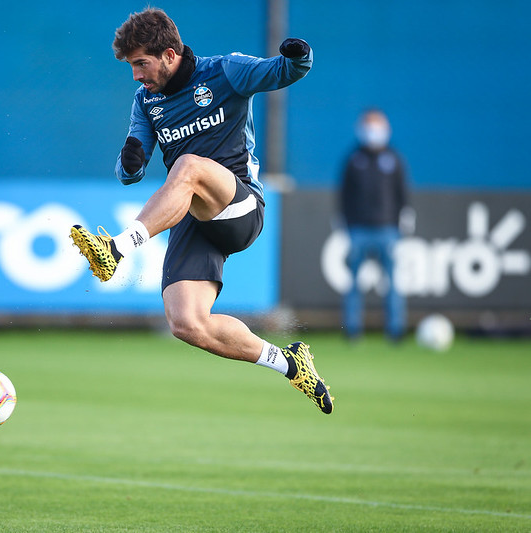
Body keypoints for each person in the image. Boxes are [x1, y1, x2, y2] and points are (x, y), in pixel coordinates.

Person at [70, 8, 332, 414]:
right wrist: (132, 160)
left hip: (241, 206)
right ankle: (289, 364)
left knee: (187, 165)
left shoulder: (225, 72)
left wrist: (299, 56)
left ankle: (117, 249)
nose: (136, 75)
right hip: (194, 215)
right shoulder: (146, 101)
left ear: (170, 54)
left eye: (141, 63)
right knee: (187, 324)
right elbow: (128, 174)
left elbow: (284, 71)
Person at [339, 108, 412, 342]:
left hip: (387, 229)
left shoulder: (394, 159)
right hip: (358, 230)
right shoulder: (353, 159)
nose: (373, 132)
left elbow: (403, 193)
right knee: (353, 284)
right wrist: (343, 223)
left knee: (392, 283)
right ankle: (352, 331)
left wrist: (406, 218)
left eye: (377, 126)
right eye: (369, 126)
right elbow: (344, 194)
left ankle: (395, 331)